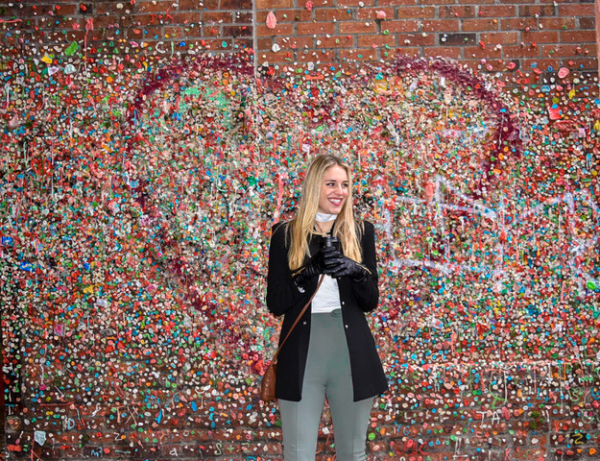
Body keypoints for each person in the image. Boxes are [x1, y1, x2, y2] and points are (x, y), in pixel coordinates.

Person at [266, 154, 388, 461]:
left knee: (352, 453)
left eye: (345, 184)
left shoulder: (361, 231)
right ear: (313, 187)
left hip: (351, 352)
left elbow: (370, 301)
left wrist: (355, 270)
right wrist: (307, 271)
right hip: (301, 353)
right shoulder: (285, 233)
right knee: (297, 454)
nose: (339, 191)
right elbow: (276, 304)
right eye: (331, 183)